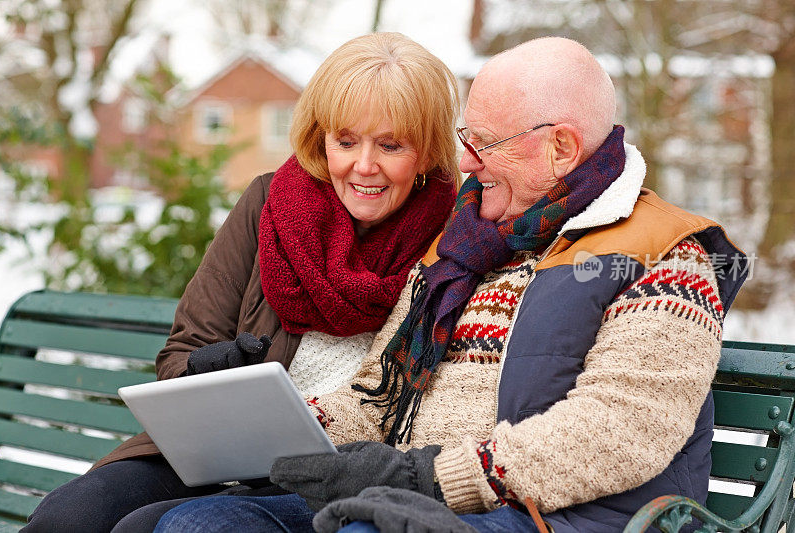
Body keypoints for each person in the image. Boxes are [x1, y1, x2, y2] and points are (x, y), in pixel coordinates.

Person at [152, 36, 750, 533]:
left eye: (484, 144)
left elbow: (617, 432)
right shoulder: (466, 248)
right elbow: (379, 395)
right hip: (413, 498)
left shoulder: (663, 256)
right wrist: (286, 428)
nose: (464, 162)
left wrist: (426, 477)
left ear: (561, 149)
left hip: (549, 515)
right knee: (201, 523)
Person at [21, 32, 460, 533]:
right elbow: (180, 354)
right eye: (345, 141)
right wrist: (208, 371)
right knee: (68, 519)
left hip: (336, 469)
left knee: (141, 529)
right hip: (214, 450)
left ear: (425, 153)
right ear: (322, 138)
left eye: (390, 145)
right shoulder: (270, 203)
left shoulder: (452, 239)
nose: (364, 166)